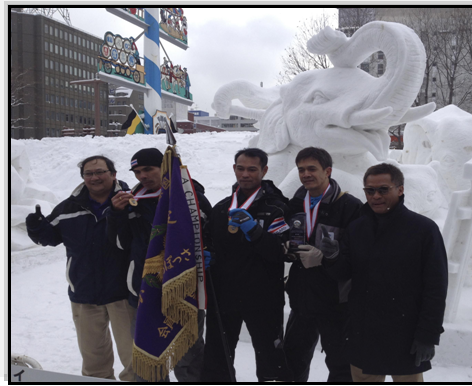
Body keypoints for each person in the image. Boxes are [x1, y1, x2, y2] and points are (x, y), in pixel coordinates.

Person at [323, 163, 448, 382]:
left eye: (383, 189)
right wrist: (332, 257)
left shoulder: (423, 229)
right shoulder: (357, 228)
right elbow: (345, 274)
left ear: (400, 189)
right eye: (370, 191)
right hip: (363, 330)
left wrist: (428, 335)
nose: (376, 196)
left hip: (405, 330)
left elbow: (436, 287)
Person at [106, 147, 212, 382]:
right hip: (145, 291)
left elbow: (209, 234)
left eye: (148, 169)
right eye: (136, 172)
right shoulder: (131, 201)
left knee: (189, 357)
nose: (142, 176)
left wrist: (207, 254)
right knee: (148, 356)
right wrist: (116, 214)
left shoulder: (190, 194)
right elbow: (120, 245)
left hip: (184, 289)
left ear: (163, 168)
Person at [25, 155, 135, 382]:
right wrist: (36, 227)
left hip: (124, 295)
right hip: (84, 294)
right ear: (83, 178)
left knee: (135, 360)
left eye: (100, 172)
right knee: (94, 363)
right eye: (89, 173)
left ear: (113, 175)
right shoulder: (69, 207)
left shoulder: (131, 202)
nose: (94, 177)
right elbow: (50, 237)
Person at [200, 148, 292, 382]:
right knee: (216, 361)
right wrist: (207, 254)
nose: (245, 174)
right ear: (234, 169)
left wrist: (256, 231)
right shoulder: (221, 208)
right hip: (223, 297)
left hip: (263, 299)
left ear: (264, 170)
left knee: (271, 362)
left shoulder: (278, 207)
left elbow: (280, 253)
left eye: (252, 169)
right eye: (240, 168)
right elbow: (209, 242)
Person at [283, 147, 363, 382]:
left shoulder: (349, 206)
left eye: (311, 169)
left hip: (335, 301)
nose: (305, 174)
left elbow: (357, 257)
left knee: (340, 365)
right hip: (302, 298)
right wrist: (285, 248)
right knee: (293, 360)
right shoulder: (295, 204)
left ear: (328, 171)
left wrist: (327, 259)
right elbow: (285, 235)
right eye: (301, 170)